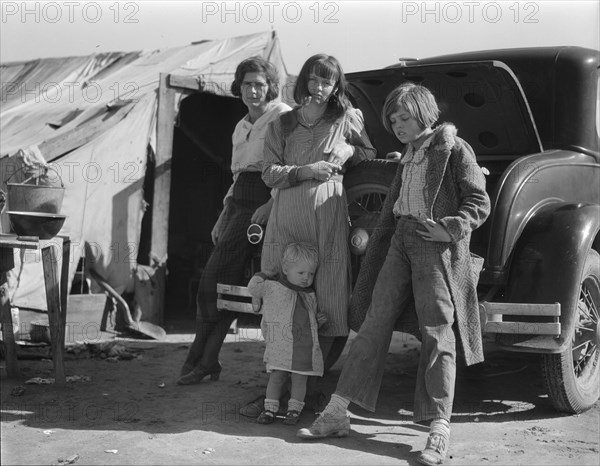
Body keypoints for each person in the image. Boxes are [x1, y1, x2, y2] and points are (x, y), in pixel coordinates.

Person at [296, 83, 491, 466]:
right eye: (392, 119)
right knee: (372, 323)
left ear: (423, 113)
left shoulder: (454, 148)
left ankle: (439, 429)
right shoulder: (408, 154)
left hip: (433, 245)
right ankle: (337, 413)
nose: (397, 125)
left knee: (438, 331)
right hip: (399, 241)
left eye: (403, 117)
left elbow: (479, 200)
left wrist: (450, 228)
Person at [260, 54, 376, 397]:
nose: (320, 87)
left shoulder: (345, 117)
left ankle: (309, 387)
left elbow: (369, 153)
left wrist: (348, 150)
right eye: (314, 80)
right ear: (303, 82)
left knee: (328, 297)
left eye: (327, 81)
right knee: (284, 294)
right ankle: (278, 382)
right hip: (288, 217)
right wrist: (307, 171)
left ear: (337, 85)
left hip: (328, 216)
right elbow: (269, 172)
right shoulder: (282, 123)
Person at [177, 57, 291, 385]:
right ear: (238, 87)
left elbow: (289, 166)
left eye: (259, 84)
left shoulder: (281, 116)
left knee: (212, 284)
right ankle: (207, 361)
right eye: (247, 84)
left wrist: (272, 204)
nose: (253, 91)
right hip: (239, 203)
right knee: (223, 286)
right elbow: (238, 176)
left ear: (270, 86)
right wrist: (224, 215)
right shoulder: (241, 126)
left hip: (266, 200)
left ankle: (199, 360)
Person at [248, 242, 327, 425]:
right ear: (285, 269)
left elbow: (309, 321)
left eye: (311, 274)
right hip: (280, 347)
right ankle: (270, 410)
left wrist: (318, 321)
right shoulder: (273, 287)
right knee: (276, 378)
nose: (306, 278)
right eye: (301, 273)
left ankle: (294, 410)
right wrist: (264, 273)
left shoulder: (310, 295)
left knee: (300, 380)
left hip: (303, 349)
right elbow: (254, 288)